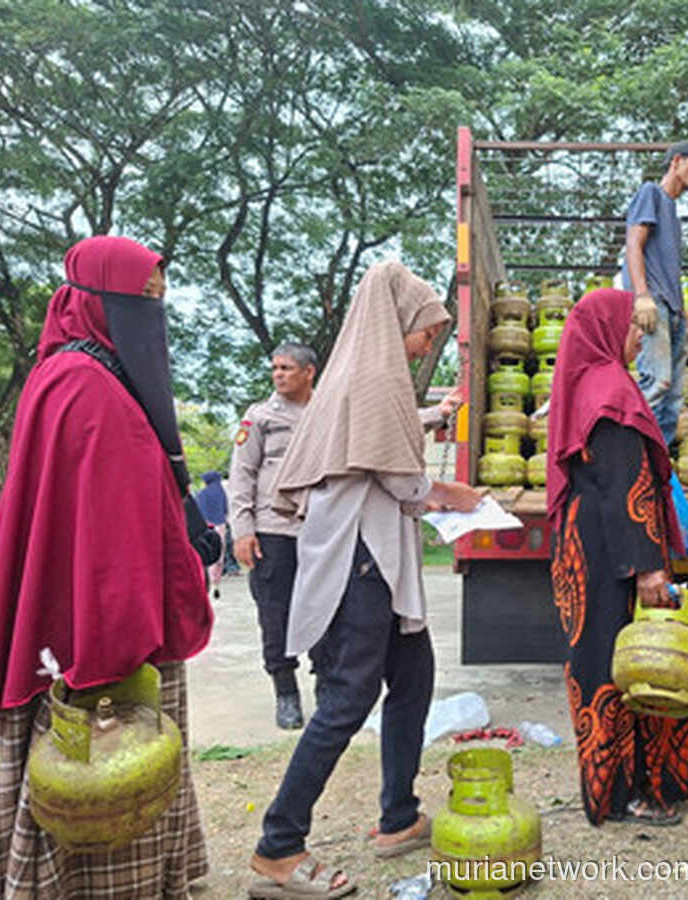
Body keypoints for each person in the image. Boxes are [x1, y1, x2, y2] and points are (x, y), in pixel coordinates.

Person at [0, 235, 214, 899]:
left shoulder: (74, 375)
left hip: (98, 634)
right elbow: (107, 548)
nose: (152, 320)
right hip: (100, 652)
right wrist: (112, 661)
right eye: (143, 303)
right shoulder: (85, 387)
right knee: (100, 795)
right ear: (98, 303)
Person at [247, 261, 482, 897]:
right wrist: (450, 495)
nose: (429, 341)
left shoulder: (363, 378)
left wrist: (430, 473)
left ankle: (398, 816)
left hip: (373, 554)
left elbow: (385, 454)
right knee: (349, 698)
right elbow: (399, 478)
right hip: (362, 560)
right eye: (425, 330)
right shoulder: (375, 376)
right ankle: (278, 845)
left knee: (413, 677)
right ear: (394, 318)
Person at [547, 287, 688, 826]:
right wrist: (648, 565)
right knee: (631, 663)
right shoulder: (611, 391)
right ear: (608, 328)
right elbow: (625, 485)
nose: (640, 336)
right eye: (634, 326)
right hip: (612, 550)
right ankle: (631, 793)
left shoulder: (585, 386)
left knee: (598, 662)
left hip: (586, 545)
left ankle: (614, 787)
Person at [229, 342, 318, 729]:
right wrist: (243, 530)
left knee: (326, 610)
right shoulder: (260, 416)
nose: (278, 374)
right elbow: (242, 474)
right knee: (275, 614)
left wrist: (438, 413)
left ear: (309, 372)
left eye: (287, 368)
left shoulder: (328, 411)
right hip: (273, 531)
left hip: (320, 531)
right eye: (275, 369)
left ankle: (328, 687)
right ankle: (286, 693)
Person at [622, 140, 688, 445]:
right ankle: (625, 452)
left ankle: (656, 464)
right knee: (657, 383)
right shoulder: (650, 193)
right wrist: (641, 297)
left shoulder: (672, 214)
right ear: (676, 161)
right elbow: (634, 244)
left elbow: (669, 272)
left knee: (672, 401)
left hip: (673, 311)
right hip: (654, 305)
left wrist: (687, 323)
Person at [194, 470, 229, 597]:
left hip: (206, 526)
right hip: (220, 525)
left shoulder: (202, 494)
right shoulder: (222, 492)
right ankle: (217, 579)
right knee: (220, 552)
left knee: (207, 552)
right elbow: (225, 509)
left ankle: (209, 579)